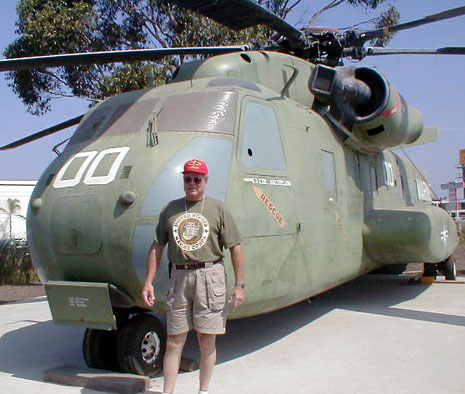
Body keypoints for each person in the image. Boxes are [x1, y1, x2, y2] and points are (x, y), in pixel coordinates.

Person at [142, 159, 246, 394]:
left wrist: (240, 285)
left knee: (206, 341)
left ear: (205, 182)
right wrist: (148, 281)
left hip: (210, 276)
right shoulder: (171, 209)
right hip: (179, 277)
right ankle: (168, 392)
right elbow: (157, 246)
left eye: (197, 179)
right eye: (188, 178)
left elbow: (236, 247)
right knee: (174, 340)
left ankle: (203, 391)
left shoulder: (218, 209)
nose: (192, 183)